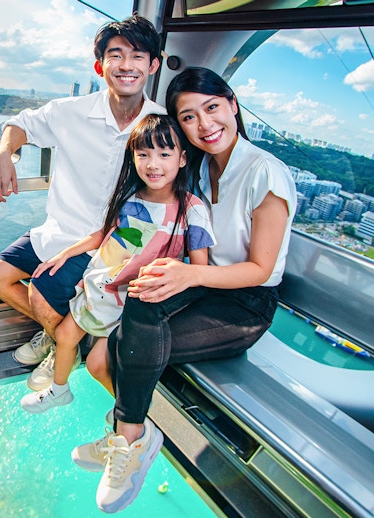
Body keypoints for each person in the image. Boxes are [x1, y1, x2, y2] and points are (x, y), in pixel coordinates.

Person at [73, 66, 298, 514]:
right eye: (189, 117)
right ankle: (133, 433)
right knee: (142, 294)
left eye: (212, 108)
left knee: (121, 344)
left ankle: (130, 437)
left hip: (244, 303)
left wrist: (189, 275)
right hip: (205, 284)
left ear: (233, 105)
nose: (205, 125)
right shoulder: (201, 169)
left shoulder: (265, 173)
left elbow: (260, 270)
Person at [0, 15, 166, 390]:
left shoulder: (160, 125)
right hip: (58, 229)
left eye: (137, 56)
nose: (126, 66)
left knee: (40, 294)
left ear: (153, 65)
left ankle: (61, 343)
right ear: (101, 66)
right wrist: (4, 154)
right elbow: (20, 124)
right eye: (116, 56)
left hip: (111, 243)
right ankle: (60, 337)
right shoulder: (70, 112)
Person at [20, 114, 215, 414]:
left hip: (132, 301)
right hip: (102, 288)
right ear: (133, 157)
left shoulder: (191, 210)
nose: (153, 164)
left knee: (88, 356)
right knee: (77, 347)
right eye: (143, 154)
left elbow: (197, 271)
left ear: (182, 158)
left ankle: (127, 416)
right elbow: (107, 236)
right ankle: (71, 395)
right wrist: (64, 254)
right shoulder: (131, 198)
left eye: (164, 154)